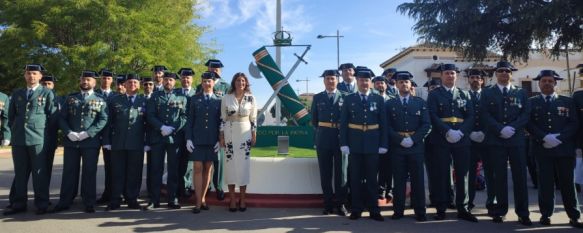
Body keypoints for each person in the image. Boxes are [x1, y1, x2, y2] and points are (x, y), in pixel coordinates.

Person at [527, 70, 583, 228]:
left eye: (550, 81)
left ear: (555, 83)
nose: (546, 83)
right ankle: (545, 214)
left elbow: (574, 123)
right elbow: (529, 123)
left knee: (567, 184)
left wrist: (559, 138)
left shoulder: (567, 101)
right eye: (543, 81)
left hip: (564, 149)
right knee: (545, 184)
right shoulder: (532, 102)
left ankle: (574, 216)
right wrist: (544, 137)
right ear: (539, 83)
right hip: (542, 149)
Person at [480, 61, 531, 225]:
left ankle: (523, 213)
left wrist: (512, 127)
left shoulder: (521, 92)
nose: (503, 73)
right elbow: (484, 114)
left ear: (511, 74)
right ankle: (500, 210)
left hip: (516, 139)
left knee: (520, 177)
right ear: (496, 73)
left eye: (507, 71)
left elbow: (525, 114)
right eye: (500, 70)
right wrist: (499, 129)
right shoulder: (487, 93)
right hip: (496, 139)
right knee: (499, 177)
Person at [427, 63, 477, 222]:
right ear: (441, 76)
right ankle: (441, 208)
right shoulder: (434, 95)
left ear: (456, 76)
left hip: (461, 138)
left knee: (463, 174)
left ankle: (463, 207)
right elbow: (432, 115)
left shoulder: (465, 94)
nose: (450, 76)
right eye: (447, 73)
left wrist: (461, 132)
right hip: (442, 138)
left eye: (453, 73)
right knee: (442, 173)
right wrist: (447, 131)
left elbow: (471, 116)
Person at [52, 71, 108, 214]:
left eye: (88, 80)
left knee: (89, 172)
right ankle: (65, 200)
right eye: (83, 79)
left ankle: (89, 201)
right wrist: (68, 132)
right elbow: (62, 117)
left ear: (94, 83)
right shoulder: (71, 98)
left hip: (90, 142)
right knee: (69, 171)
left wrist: (88, 133)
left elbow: (103, 119)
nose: (85, 82)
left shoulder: (100, 99)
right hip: (71, 141)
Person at [4, 64, 54, 216]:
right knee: (20, 173)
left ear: (40, 76)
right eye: (28, 73)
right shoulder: (17, 93)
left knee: (40, 173)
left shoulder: (46, 93)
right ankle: (19, 203)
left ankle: (42, 203)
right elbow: (11, 116)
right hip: (19, 139)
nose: (31, 76)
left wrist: (45, 136)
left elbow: (52, 116)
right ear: (24, 76)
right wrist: (15, 131)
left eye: (34, 73)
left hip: (38, 139)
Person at [339, 69, 387, 221]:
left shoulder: (378, 99)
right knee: (355, 178)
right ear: (357, 82)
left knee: (373, 178)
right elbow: (343, 123)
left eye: (367, 80)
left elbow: (384, 124)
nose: (364, 83)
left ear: (370, 82)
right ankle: (357, 209)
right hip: (355, 143)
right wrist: (344, 143)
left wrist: (383, 144)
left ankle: (374, 209)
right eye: (361, 80)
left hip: (373, 144)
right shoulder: (349, 99)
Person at [385, 71, 431, 222]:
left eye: (406, 82)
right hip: (397, 147)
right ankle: (398, 210)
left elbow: (426, 125)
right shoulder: (389, 104)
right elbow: (386, 126)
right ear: (396, 85)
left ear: (411, 84)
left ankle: (420, 211)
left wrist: (414, 139)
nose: (404, 84)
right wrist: (400, 140)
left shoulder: (420, 103)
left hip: (416, 147)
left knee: (418, 180)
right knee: (398, 180)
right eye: (400, 82)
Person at [102, 73, 146, 211]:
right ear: (124, 85)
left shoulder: (144, 101)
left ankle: (132, 199)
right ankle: (115, 199)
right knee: (117, 172)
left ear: (139, 85)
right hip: (118, 142)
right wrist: (107, 140)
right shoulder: (115, 100)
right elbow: (108, 122)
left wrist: (147, 142)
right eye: (129, 82)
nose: (132, 84)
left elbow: (148, 124)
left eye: (135, 82)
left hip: (137, 143)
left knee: (134, 172)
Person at [145, 71, 187, 210]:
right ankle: (154, 199)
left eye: (171, 80)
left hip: (174, 139)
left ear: (175, 82)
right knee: (156, 169)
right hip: (158, 137)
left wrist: (173, 128)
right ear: (162, 81)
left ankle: (172, 199)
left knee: (173, 170)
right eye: (166, 80)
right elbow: (149, 115)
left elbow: (184, 117)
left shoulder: (182, 97)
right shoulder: (155, 96)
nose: (168, 82)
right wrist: (161, 127)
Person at [311, 69, 348, 216]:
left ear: (337, 80)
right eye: (327, 79)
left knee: (341, 173)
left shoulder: (345, 97)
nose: (330, 81)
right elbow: (314, 120)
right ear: (324, 81)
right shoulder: (317, 97)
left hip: (340, 139)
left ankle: (341, 204)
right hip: (323, 138)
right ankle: (328, 204)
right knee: (325, 173)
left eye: (333, 78)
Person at [220, 72, 257, 212]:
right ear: (233, 82)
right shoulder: (226, 98)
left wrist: (254, 134)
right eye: (237, 80)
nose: (240, 83)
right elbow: (222, 119)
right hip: (229, 133)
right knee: (230, 167)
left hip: (245, 134)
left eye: (242, 81)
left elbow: (253, 119)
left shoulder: (251, 98)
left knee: (243, 167)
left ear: (246, 82)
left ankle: (242, 199)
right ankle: (232, 199)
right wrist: (221, 136)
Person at [186, 71, 222, 214]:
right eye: (205, 81)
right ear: (202, 83)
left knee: (208, 169)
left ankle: (203, 199)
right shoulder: (194, 99)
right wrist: (188, 138)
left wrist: (220, 140)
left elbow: (221, 122)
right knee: (197, 168)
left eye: (210, 81)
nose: (207, 83)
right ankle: (197, 202)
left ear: (213, 83)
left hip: (212, 140)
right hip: (197, 140)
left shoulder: (219, 100)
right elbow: (190, 121)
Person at [198, 59, 230, 201]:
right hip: (204, 129)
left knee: (219, 160)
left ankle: (218, 187)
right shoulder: (201, 86)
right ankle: (204, 188)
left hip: (220, 128)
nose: (214, 70)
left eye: (217, 68)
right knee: (203, 161)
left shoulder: (226, 86)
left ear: (220, 71)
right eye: (212, 68)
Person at [465, 69, 492, 212]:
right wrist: (468, 133)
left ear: (482, 81)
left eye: (478, 77)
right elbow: (461, 117)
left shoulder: (489, 95)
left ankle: (492, 204)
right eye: (472, 77)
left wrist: (484, 132)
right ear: (468, 80)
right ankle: (468, 204)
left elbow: (494, 116)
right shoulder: (463, 95)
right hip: (469, 142)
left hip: (487, 141)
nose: (475, 80)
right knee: (469, 174)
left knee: (490, 173)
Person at [175, 68, 197, 199]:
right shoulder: (175, 93)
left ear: (192, 79)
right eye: (183, 77)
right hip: (177, 133)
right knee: (176, 162)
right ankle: (177, 188)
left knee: (189, 163)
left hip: (192, 134)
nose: (186, 79)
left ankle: (186, 187)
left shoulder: (197, 93)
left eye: (188, 78)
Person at [96, 68, 116, 205]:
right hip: (94, 135)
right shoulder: (94, 94)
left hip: (111, 136)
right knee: (90, 168)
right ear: (100, 79)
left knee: (111, 166)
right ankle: (88, 194)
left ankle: (110, 193)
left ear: (112, 80)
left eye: (108, 78)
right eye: (103, 78)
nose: (106, 80)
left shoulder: (116, 96)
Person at [372, 76, 393, 202]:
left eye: (382, 83)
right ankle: (379, 189)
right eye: (378, 83)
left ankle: (389, 189)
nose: (380, 85)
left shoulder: (392, 100)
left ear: (386, 85)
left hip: (390, 138)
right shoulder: (371, 99)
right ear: (374, 85)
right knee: (376, 165)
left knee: (388, 165)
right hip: (375, 136)